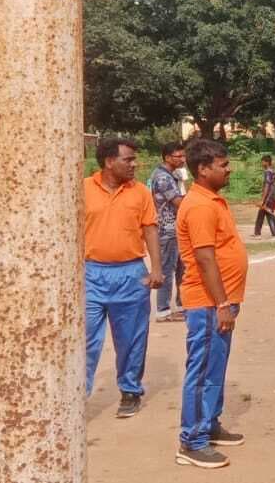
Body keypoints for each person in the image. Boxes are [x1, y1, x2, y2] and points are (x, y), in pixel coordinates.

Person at [175, 139, 248, 470]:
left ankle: (210, 424)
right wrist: (221, 303)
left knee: (214, 368)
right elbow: (205, 259)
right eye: (223, 164)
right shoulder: (200, 206)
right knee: (203, 370)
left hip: (220, 302)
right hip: (208, 303)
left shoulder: (212, 200)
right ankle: (192, 441)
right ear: (203, 169)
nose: (228, 169)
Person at [83, 137, 163, 418]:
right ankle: (77, 396)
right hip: (90, 274)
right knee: (85, 339)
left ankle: (130, 391)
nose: (134, 164)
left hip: (131, 273)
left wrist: (156, 268)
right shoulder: (82, 188)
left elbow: (150, 229)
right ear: (109, 162)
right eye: (128, 159)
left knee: (130, 338)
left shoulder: (140, 192)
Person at [149, 141, 187, 322]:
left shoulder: (174, 175)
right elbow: (179, 202)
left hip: (176, 228)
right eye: (178, 156)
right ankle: (163, 310)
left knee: (181, 268)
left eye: (183, 155)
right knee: (167, 268)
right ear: (167, 157)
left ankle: (181, 304)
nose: (182, 159)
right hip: (167, 229)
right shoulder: (163, 178)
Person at [253, 155, 275, 239]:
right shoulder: (273, 171)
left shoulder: (268, 172)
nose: (262, 163)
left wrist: (262, 199)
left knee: (269, 214)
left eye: (262, 162)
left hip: (268, 197)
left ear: (266, 162)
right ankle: (257, 233)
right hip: (272, 196)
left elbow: (267, 186)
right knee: (261, 213)